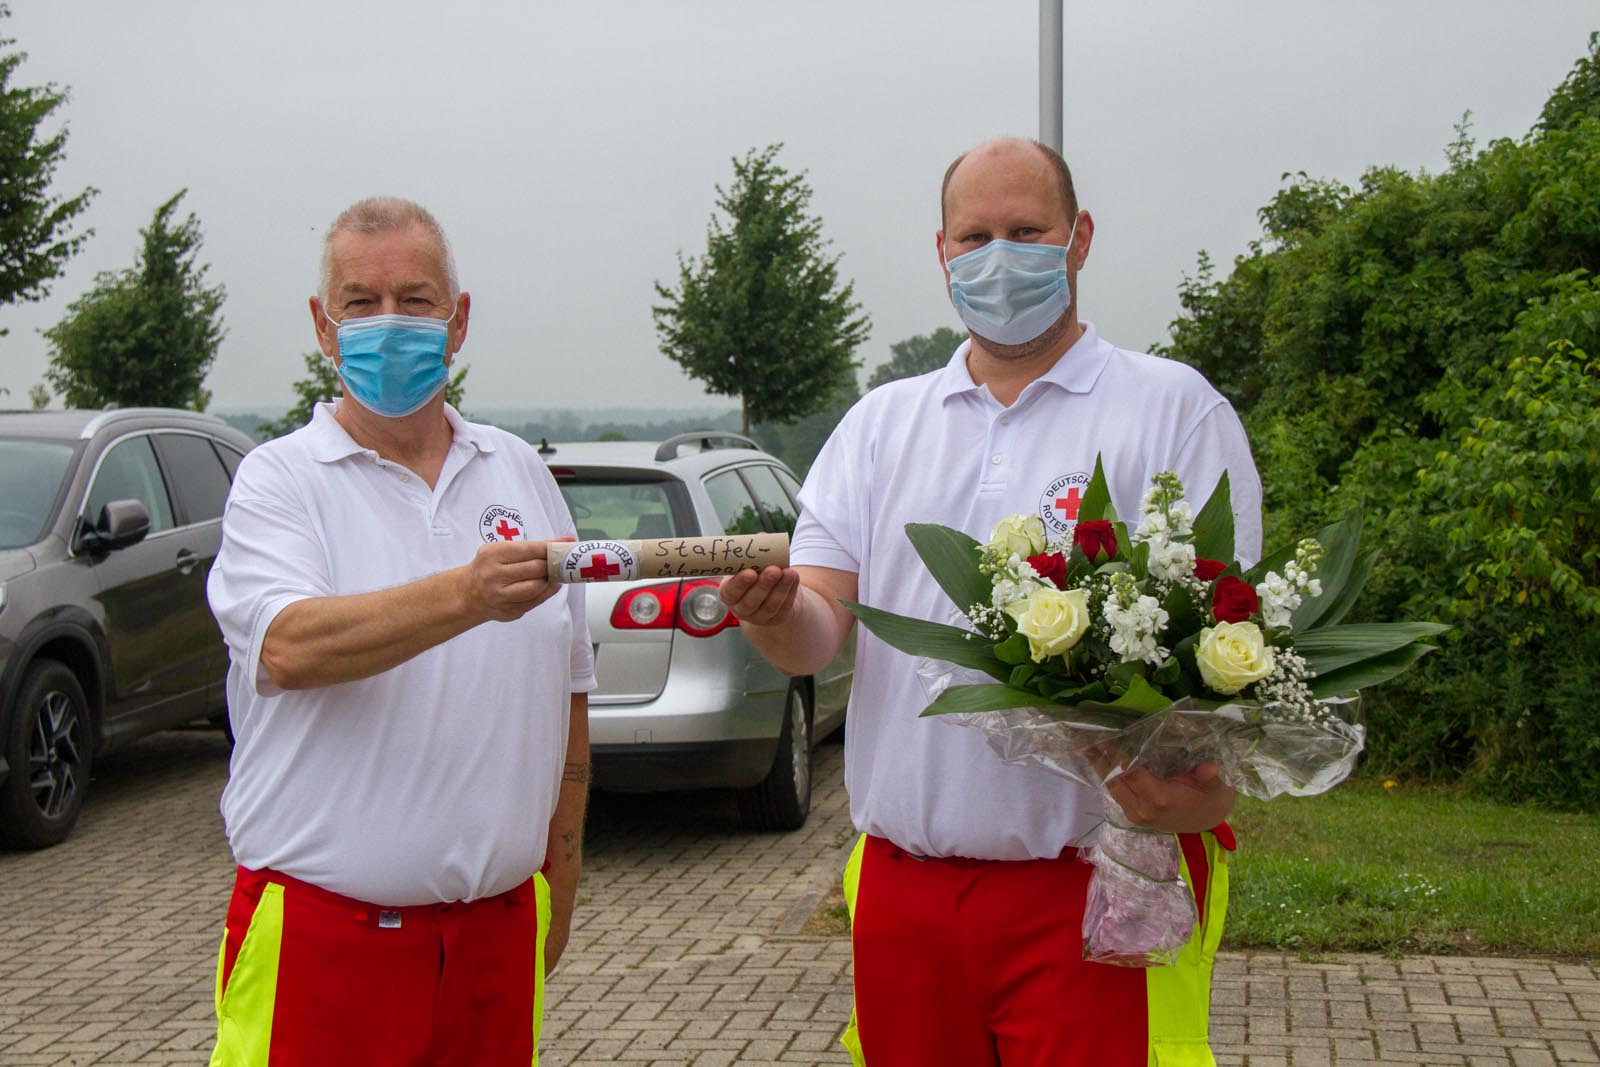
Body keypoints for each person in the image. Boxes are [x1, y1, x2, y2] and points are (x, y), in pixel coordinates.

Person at [719, 137, 1263, 1067]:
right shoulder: (878, 427)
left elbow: (1218, 647)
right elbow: (816, 638)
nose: (998, 256)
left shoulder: (1174, 409)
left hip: (1095, 879)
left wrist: (1194, 778)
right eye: (974, 236)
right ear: (940, 251)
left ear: (1080, 238)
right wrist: (776, 617)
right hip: (905, 890)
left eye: (1026, 230)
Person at [205, 197, 594, 1066]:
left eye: (415, 302)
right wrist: (465, 594)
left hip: (495, 940)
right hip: (321, 944)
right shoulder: (280, 480)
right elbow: (289, 646)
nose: (390, 323)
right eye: (361, 301)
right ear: (322, 324)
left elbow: (566, 701)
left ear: (458, 322)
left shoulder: (520, 472)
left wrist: (556, 890)